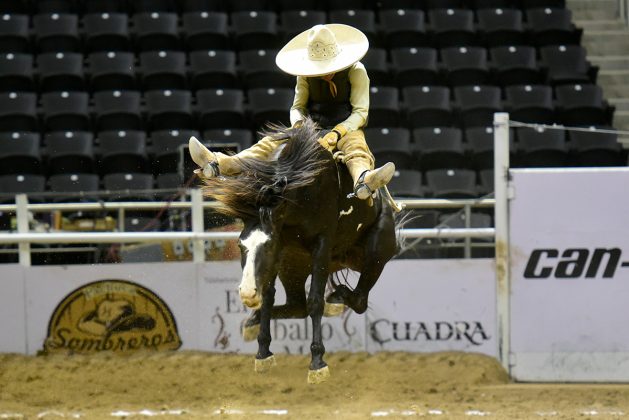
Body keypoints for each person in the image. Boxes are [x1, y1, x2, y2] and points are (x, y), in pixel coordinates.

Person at [190, 24, 395, 200]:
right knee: (270, 143)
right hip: (311, 126)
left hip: (346, 127)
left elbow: (360, 112)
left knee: (355, 148)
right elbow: (298, 107)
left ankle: (364, 179)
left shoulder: (356, 71)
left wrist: (338, 132)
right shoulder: (305, 74)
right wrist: (299, 126)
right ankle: (221, 163)